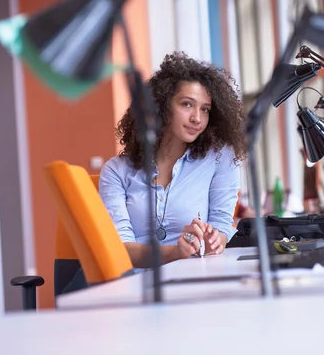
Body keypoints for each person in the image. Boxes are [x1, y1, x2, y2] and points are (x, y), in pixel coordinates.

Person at [99, 52, 247, 269]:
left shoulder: (219, 158)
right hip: (136, 284)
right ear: (162, 106)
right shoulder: (116, 171)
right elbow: (120, 248)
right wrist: (175, 252)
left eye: (205, 109)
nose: (197, 118)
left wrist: (215, 241)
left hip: (194, 277)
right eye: (187, 104)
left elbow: (222, 224)